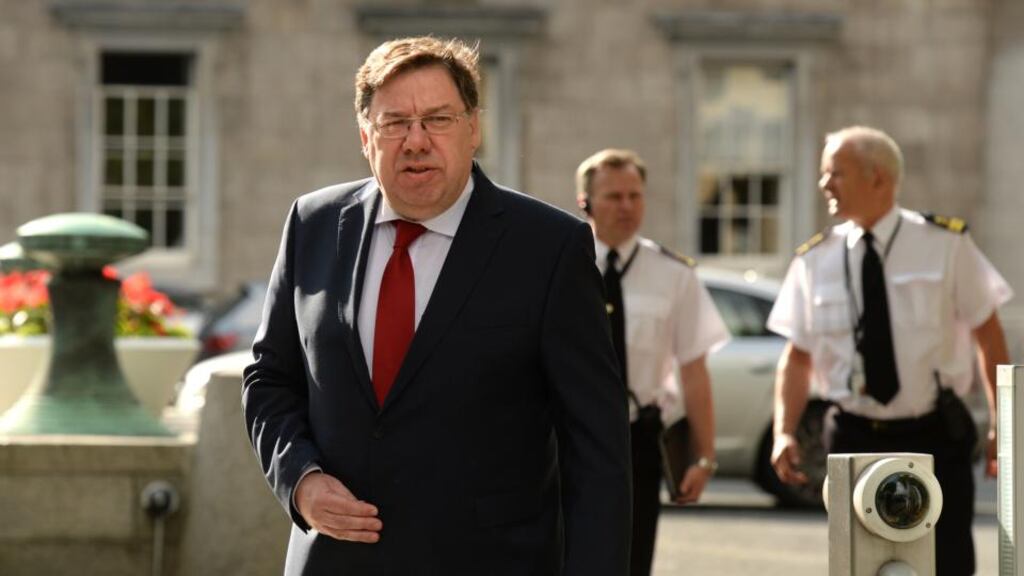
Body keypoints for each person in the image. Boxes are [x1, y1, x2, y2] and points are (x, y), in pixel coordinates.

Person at [242, 37, 632, 576]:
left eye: (438, 119)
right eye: (394, 122)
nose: (416, 141)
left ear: (474, 129)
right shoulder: (313, 225)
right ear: (365, 137)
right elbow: (269, 379)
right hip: (333, 561)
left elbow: (598, 451)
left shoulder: (549, 249)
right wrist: (300, 480)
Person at [768, 126, 1012, 576]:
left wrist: (1006, 423)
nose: (825, 185)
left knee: (948, 563)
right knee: (858, 564)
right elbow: (797, 357)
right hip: (852, 436)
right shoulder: (814, 259)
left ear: (876, 178)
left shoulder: (946, 244)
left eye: (835, 174)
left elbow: (989, 337)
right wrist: (784, 431)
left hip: (934, 434)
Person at [576, 149, 729, 576]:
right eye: (613, 197)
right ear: (584, 201)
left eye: (635, 196)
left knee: (632, 556)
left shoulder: (673, 274)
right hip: (568, 436)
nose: (626, 207)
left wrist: (704, 457)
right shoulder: (563, 264)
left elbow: (693, 370)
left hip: (637, 440)